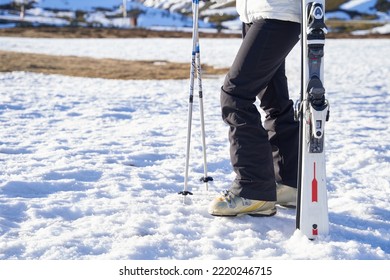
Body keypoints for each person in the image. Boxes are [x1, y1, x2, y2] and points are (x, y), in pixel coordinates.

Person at [208, 0, 301, 216]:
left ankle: (254, 188)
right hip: (257, 12)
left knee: (235, 94)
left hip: (278, 12)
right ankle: (288, 184)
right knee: (273, 98)